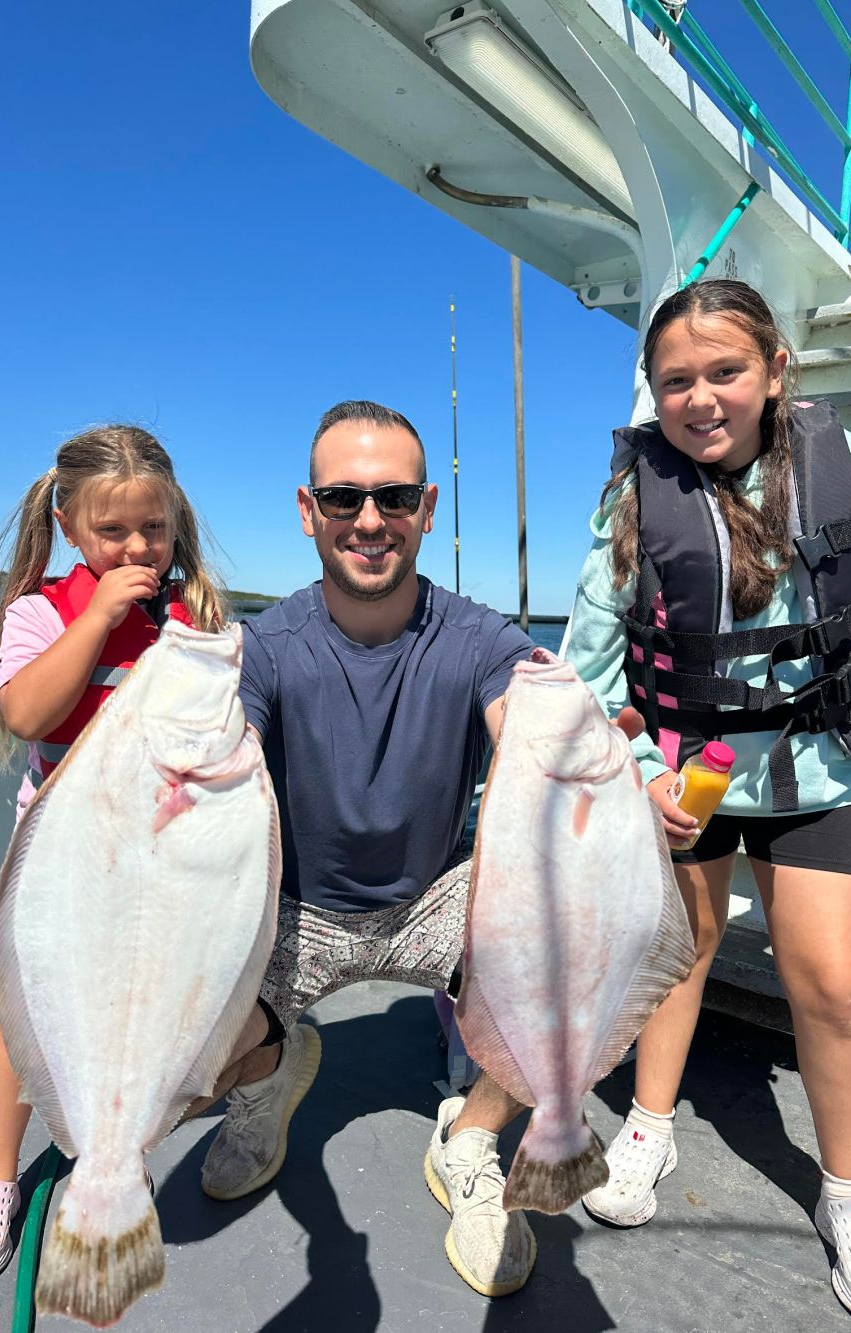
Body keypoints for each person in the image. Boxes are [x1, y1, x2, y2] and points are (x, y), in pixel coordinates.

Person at [192, 399, 639, 1299]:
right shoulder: (264, 647)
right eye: (343, 496)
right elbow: (222, 746)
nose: (369, 520)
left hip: (438, 897)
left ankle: (471, 1136)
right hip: (300, 909)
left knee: (568, 950)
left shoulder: (478, 636)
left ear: (428, 508)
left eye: (394, 497)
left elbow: (524, 718)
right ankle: (271, 1075)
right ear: (307, 508)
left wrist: (590, 768)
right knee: (185, 1029)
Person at [564, 279, 851, 1330]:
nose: (700, 397)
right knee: (677, 954)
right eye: (675, 380)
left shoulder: (836, 463)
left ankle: (850, 1194)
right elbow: (586, 669)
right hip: (687, 779)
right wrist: (638, 783)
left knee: (827, 984)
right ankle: (647, 1121)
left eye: (724, 371)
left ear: (774, 371)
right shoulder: (632, 500)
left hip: (816, 774)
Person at [0, 425, 224, 1285]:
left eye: (155, 528)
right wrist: (99, 618)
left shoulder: (190, 614)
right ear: (69, 526)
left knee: (133, 1015)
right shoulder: (40, 612)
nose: (138, 547)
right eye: (114, 532)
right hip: (62, 859)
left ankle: (114, 1145)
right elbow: (24, 713)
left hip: (158, 857)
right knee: (33, 1021)